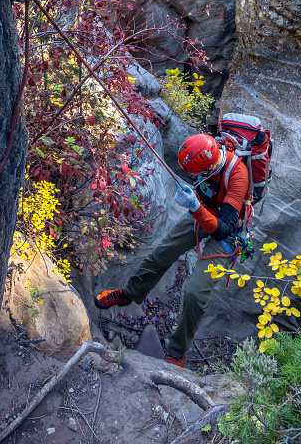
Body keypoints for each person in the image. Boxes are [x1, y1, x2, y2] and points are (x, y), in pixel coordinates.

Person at [94, 133, 250, 366]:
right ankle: (128, 294)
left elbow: (222, 229)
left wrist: (195, 206)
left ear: (209, 167)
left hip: (229, 230)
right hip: (203, 212)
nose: (194, 177)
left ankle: (177, 352)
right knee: (162, 254)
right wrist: (196, 203)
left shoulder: (238, 175)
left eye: (198, 174)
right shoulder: (207, 159)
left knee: (196, 293)